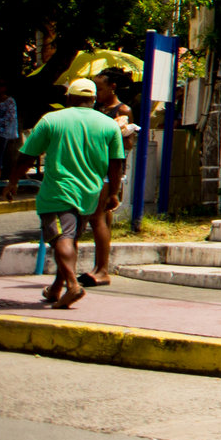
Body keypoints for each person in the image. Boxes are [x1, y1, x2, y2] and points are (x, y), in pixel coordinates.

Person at [19, 78, 125, 310]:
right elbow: (117, 163)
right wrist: (114, 193)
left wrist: (11, 181)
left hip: (58, 192)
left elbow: (27, 155)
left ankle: (72, 285)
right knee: (69, 239)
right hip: (90, 193)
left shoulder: (52, 119)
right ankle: (57, 287)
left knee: (61, 239)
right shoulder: (109, 124)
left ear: (69, 98)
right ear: (94, 99)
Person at [81, 70, 141, 285]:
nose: (97, 93)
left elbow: (128, 144)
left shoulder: (123, 110)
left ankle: (102, 268)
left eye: (100, 88)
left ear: (112, 87)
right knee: (95, 219)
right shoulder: (96, 110)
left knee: (101, 217)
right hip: (93, 166)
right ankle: (98, 267)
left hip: (110, 169)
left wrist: (117, 131)